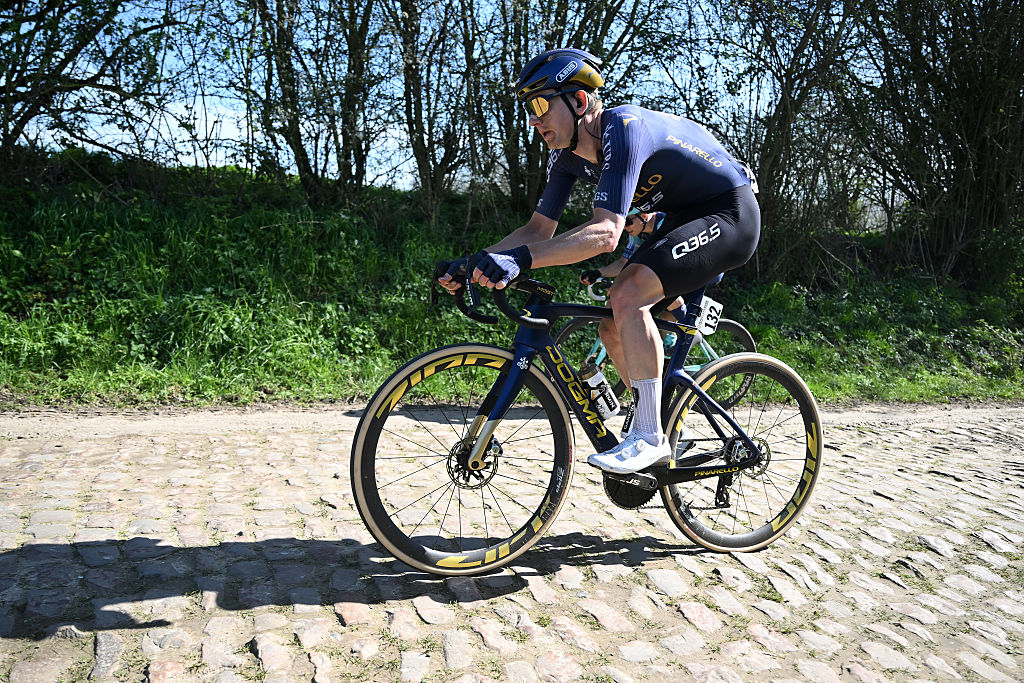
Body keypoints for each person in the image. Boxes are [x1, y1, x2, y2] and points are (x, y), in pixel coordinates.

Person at [437, 47, 760, 474]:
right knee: (613, 324)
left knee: (628, 294)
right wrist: (476, 262)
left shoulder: (624, 128)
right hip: (680, 218)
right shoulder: (566, 158)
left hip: (729, 213)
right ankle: (659, 420)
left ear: (580, 101)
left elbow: (607, 233)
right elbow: (537, 232)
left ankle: (650, 436)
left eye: (539, 104)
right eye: (526, 109)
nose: (533, 120)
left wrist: (519, 260)